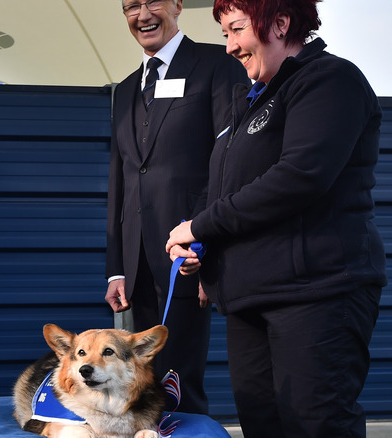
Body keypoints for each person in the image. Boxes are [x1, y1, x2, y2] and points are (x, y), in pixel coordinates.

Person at [165, 0, 385, 436]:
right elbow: (225, 188)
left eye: (236, 29)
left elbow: (299, 177)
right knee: (261, 422)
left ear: (280, 23)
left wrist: (201, 226)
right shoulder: (248, 100)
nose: (228, 46)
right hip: (250, 297)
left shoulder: (329, 79)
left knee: (316, 423)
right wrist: (197, 245)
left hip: (316, 292)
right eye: (225, 32)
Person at [105, 0, 248, 414]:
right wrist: (117, 268)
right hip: (137, 263)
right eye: (132, 6)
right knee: (144, 386)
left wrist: (207, 241)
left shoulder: (216, 64)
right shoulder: (127, 88)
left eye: (153, 2)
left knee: (181, 381)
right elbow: (122, 178)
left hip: (187, 253)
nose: (143, 14)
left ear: (177, 6)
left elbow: (228, 161)